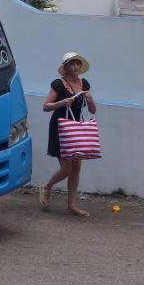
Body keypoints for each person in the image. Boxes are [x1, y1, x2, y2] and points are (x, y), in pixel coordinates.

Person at [39, 51, 97, 217]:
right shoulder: (58, 84)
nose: (76, 67)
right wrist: (62, 103)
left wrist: (91, 99)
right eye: (72, 64)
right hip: (61, 128)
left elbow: (92, 110)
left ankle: (71, 205)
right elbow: (46, 106)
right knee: (66, 168)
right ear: (66, 68)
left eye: (78, 63)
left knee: (77, 167)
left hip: (76, 127)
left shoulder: (84, 84)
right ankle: (47, 187)